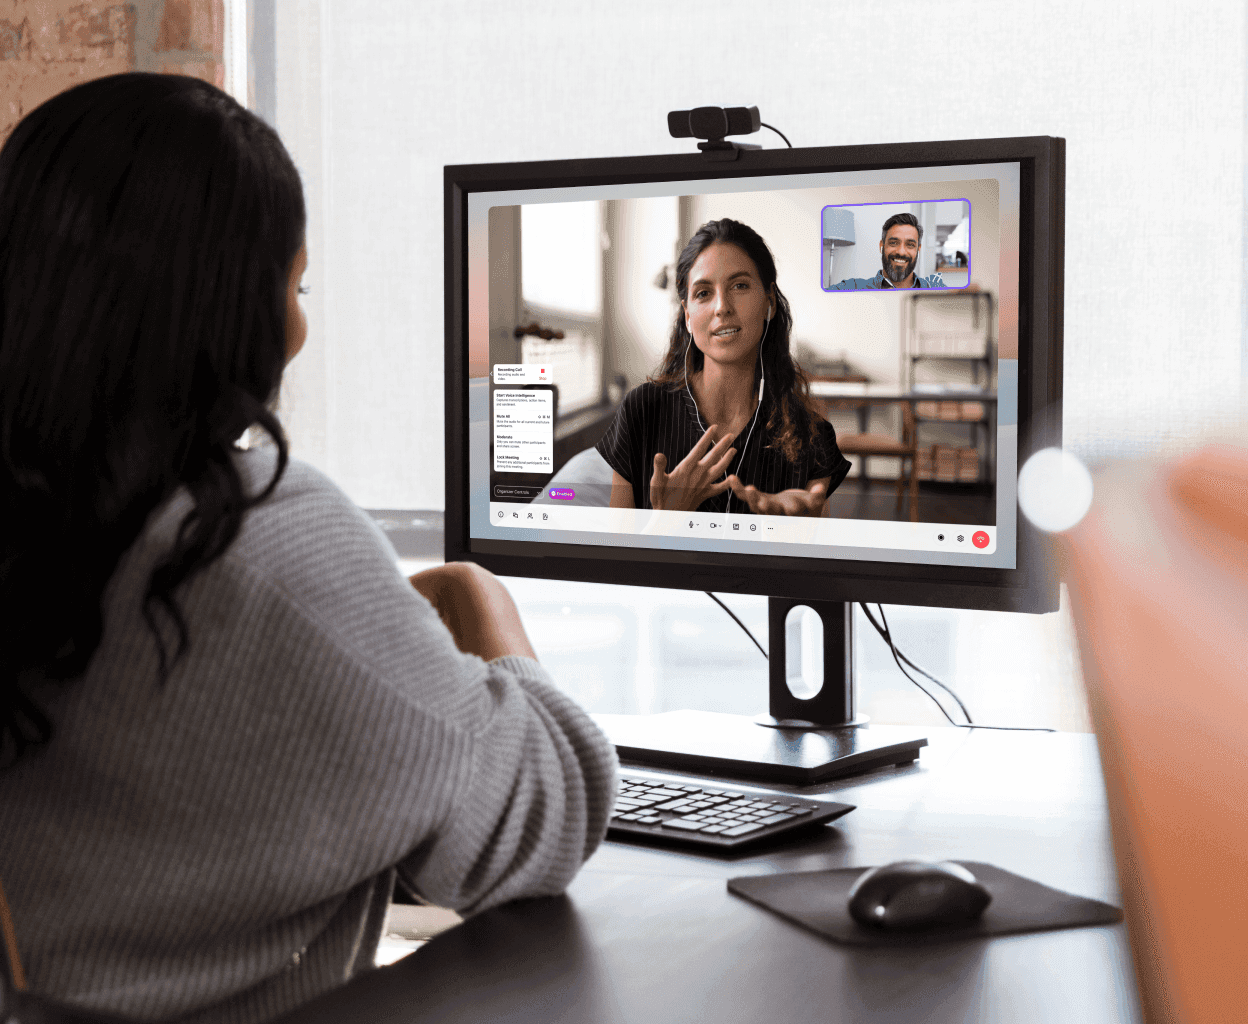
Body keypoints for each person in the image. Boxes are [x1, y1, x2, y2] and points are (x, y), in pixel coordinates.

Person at [0, 74, 616, 1023]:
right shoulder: (250, 535)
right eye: (297, 286)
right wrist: (479, 602)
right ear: (236, 310)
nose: (298, 327)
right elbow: (543, 815)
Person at [597, 218, 850, 516]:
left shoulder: (811, 433)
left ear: (769, 303)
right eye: (703, 293)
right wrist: (666, 520)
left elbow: (815, 558)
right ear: (688, 316)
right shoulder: (641, 411)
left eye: (739, 285)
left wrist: (798, 534)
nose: (722, 307)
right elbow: (616, 555)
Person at [829, 212, 948, 290]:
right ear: (882, 245)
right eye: (893, 243)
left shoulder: (935, 289)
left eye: (910, 245)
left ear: (918, 249)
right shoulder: (852, 287)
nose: (901, 252)